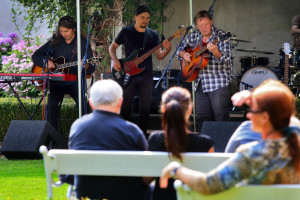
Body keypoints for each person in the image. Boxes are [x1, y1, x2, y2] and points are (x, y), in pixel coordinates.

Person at [160, 80, 300, 194]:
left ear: (265, 117)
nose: (248, 115)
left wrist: (175, 169)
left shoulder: (252, 155)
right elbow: (288, 115)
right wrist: (257, 97)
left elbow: (208, 184)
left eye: (252, 110)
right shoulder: (295, 138)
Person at [68, 79, 148, 200]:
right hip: (126, 195)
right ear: (120, 102)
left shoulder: (78, 127)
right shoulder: (132, 131)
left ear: (91, 103)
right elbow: (144, 169)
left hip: (87, 194)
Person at [109, 5, 172, 136]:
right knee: (125, 107)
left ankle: (142, 136)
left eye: (147, 18)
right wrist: (115, 60)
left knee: (145, 109)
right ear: (135, 17)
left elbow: (159, 56)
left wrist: (167, 49)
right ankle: (125, 135)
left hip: (146, 74)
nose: (145, 20)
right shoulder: (126, 32)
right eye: (142, 17)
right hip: (128, 73)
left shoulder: (153, 34)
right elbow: (112, 47)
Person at [147, 87, 214, 200]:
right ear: (190, 109)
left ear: (163, 109)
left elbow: (147, 178)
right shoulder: (205, 143)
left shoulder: (155, 139)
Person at [32, 16, 95, 131]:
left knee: (83, 105)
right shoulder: (55, 42)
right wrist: (46, 62)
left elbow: (92, 67)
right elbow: (35, 56)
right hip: (56, 83)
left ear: (73, 29)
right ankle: (53, 139)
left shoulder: (82, 43)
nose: (63, 34)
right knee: (50, 107)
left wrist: (86, 66)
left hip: (74, 82)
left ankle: (85, 133)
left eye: (66, 31)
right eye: (61, 31)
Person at [176, 10, 232, 131]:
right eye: (200, 25)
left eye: (206, 24)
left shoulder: (221, 36)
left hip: (218, 82)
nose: (204, 28)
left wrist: (215, 51)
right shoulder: (194, 35)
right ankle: (206, 146)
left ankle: (222, 147)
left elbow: (226, 59)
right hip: (200, 83)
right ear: (197, 25)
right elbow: (178, 48)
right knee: (202, 118)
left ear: (211, 22)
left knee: (220, 117)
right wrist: (183, 53)